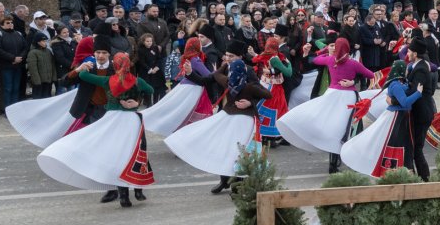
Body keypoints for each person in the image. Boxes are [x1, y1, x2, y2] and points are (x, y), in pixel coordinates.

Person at [38, 52, 155, 207]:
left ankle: (123, 196)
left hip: (112, 120)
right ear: (129, 65)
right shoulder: (137, 81)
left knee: (116, 156)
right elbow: (151, 90)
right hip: (132, 120)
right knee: (135, 153)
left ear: (114, 65)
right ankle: (138, 190)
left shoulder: (108, 80)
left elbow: (85, 77)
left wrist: (84, 67)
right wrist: (136, 101)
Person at [165, 41, 271, 194]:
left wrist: (250, 102)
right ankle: (224, 180)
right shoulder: (225, 68)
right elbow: (205, 80)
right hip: (227, 113)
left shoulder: (247, 70)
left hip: (244, 116)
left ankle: (238, 182)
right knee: (223, 147)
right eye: (226, 55)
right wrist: (189, 73)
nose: (227, 58)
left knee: (238, 150)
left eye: (231, 56)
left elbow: (259, 91)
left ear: (240, 57)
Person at [276, 37, 374, 173]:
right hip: (348, 98)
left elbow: (312, 60)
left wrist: (323, 52)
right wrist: (353, 80)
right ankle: (344, 159)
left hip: (332, 95)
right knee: (345, 129)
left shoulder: (330, 60)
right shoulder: (353, 63)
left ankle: (333, 163)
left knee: (332, 128)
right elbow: (370, 75)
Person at [340, 60, 422, 177]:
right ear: (401, 70)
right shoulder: (396, 85)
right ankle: (395, 171)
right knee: (397, 143)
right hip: (397, 118)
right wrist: (418, 93)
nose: (408, 70)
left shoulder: (399, 83)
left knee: (398, 143)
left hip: (399, 116)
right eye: (406, 69)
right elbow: (405, 103)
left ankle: (400, 170)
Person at [406, 38, 438, 179]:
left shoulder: (420, 69)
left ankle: (424, 177)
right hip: (421, 111)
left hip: (422, 113)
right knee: (414, 147)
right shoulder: (418, 66)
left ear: (415, 53)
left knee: (416, 148)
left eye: (409, 51)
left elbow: (414, 91)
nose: (407, 53)